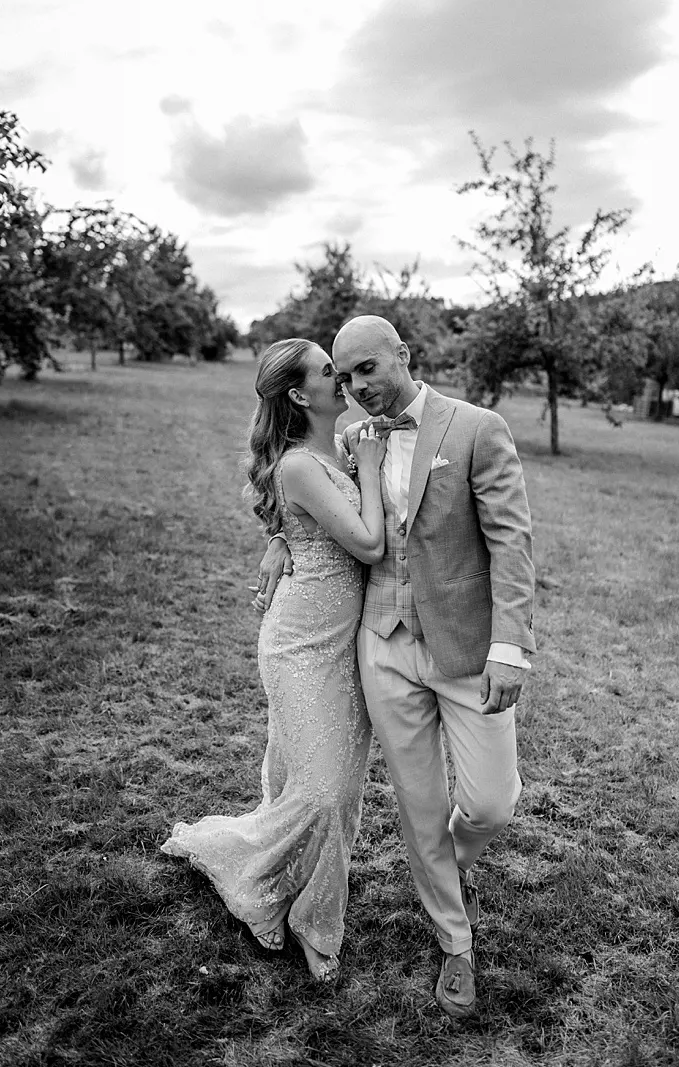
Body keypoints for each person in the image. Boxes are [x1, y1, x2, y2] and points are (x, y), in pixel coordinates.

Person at [256, 315, 534, 1018]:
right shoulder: (352, 439)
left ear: (403, 356)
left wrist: (509, 646)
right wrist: (276, 540)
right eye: (344, 377)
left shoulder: (477, 428)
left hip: (468, 649)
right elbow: (299, 484)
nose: (357, 387)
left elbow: (511, 543)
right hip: (382, 645)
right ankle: (454, 941)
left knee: (492, 803)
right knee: (419, 804)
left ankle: (437, 863)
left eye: (368, 369)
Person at [164, 338, 385, 982]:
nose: (340, 377)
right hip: (299, 646)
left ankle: (317, 914)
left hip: (347, 643)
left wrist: (280, 538)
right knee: (322, 790)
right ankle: (251, 871)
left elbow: (303, 521)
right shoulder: (301, 464)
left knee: (338, 792)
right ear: (298, 394)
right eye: (327, 371)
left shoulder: (334, 449)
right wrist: (368, 467)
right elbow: (368, 543)